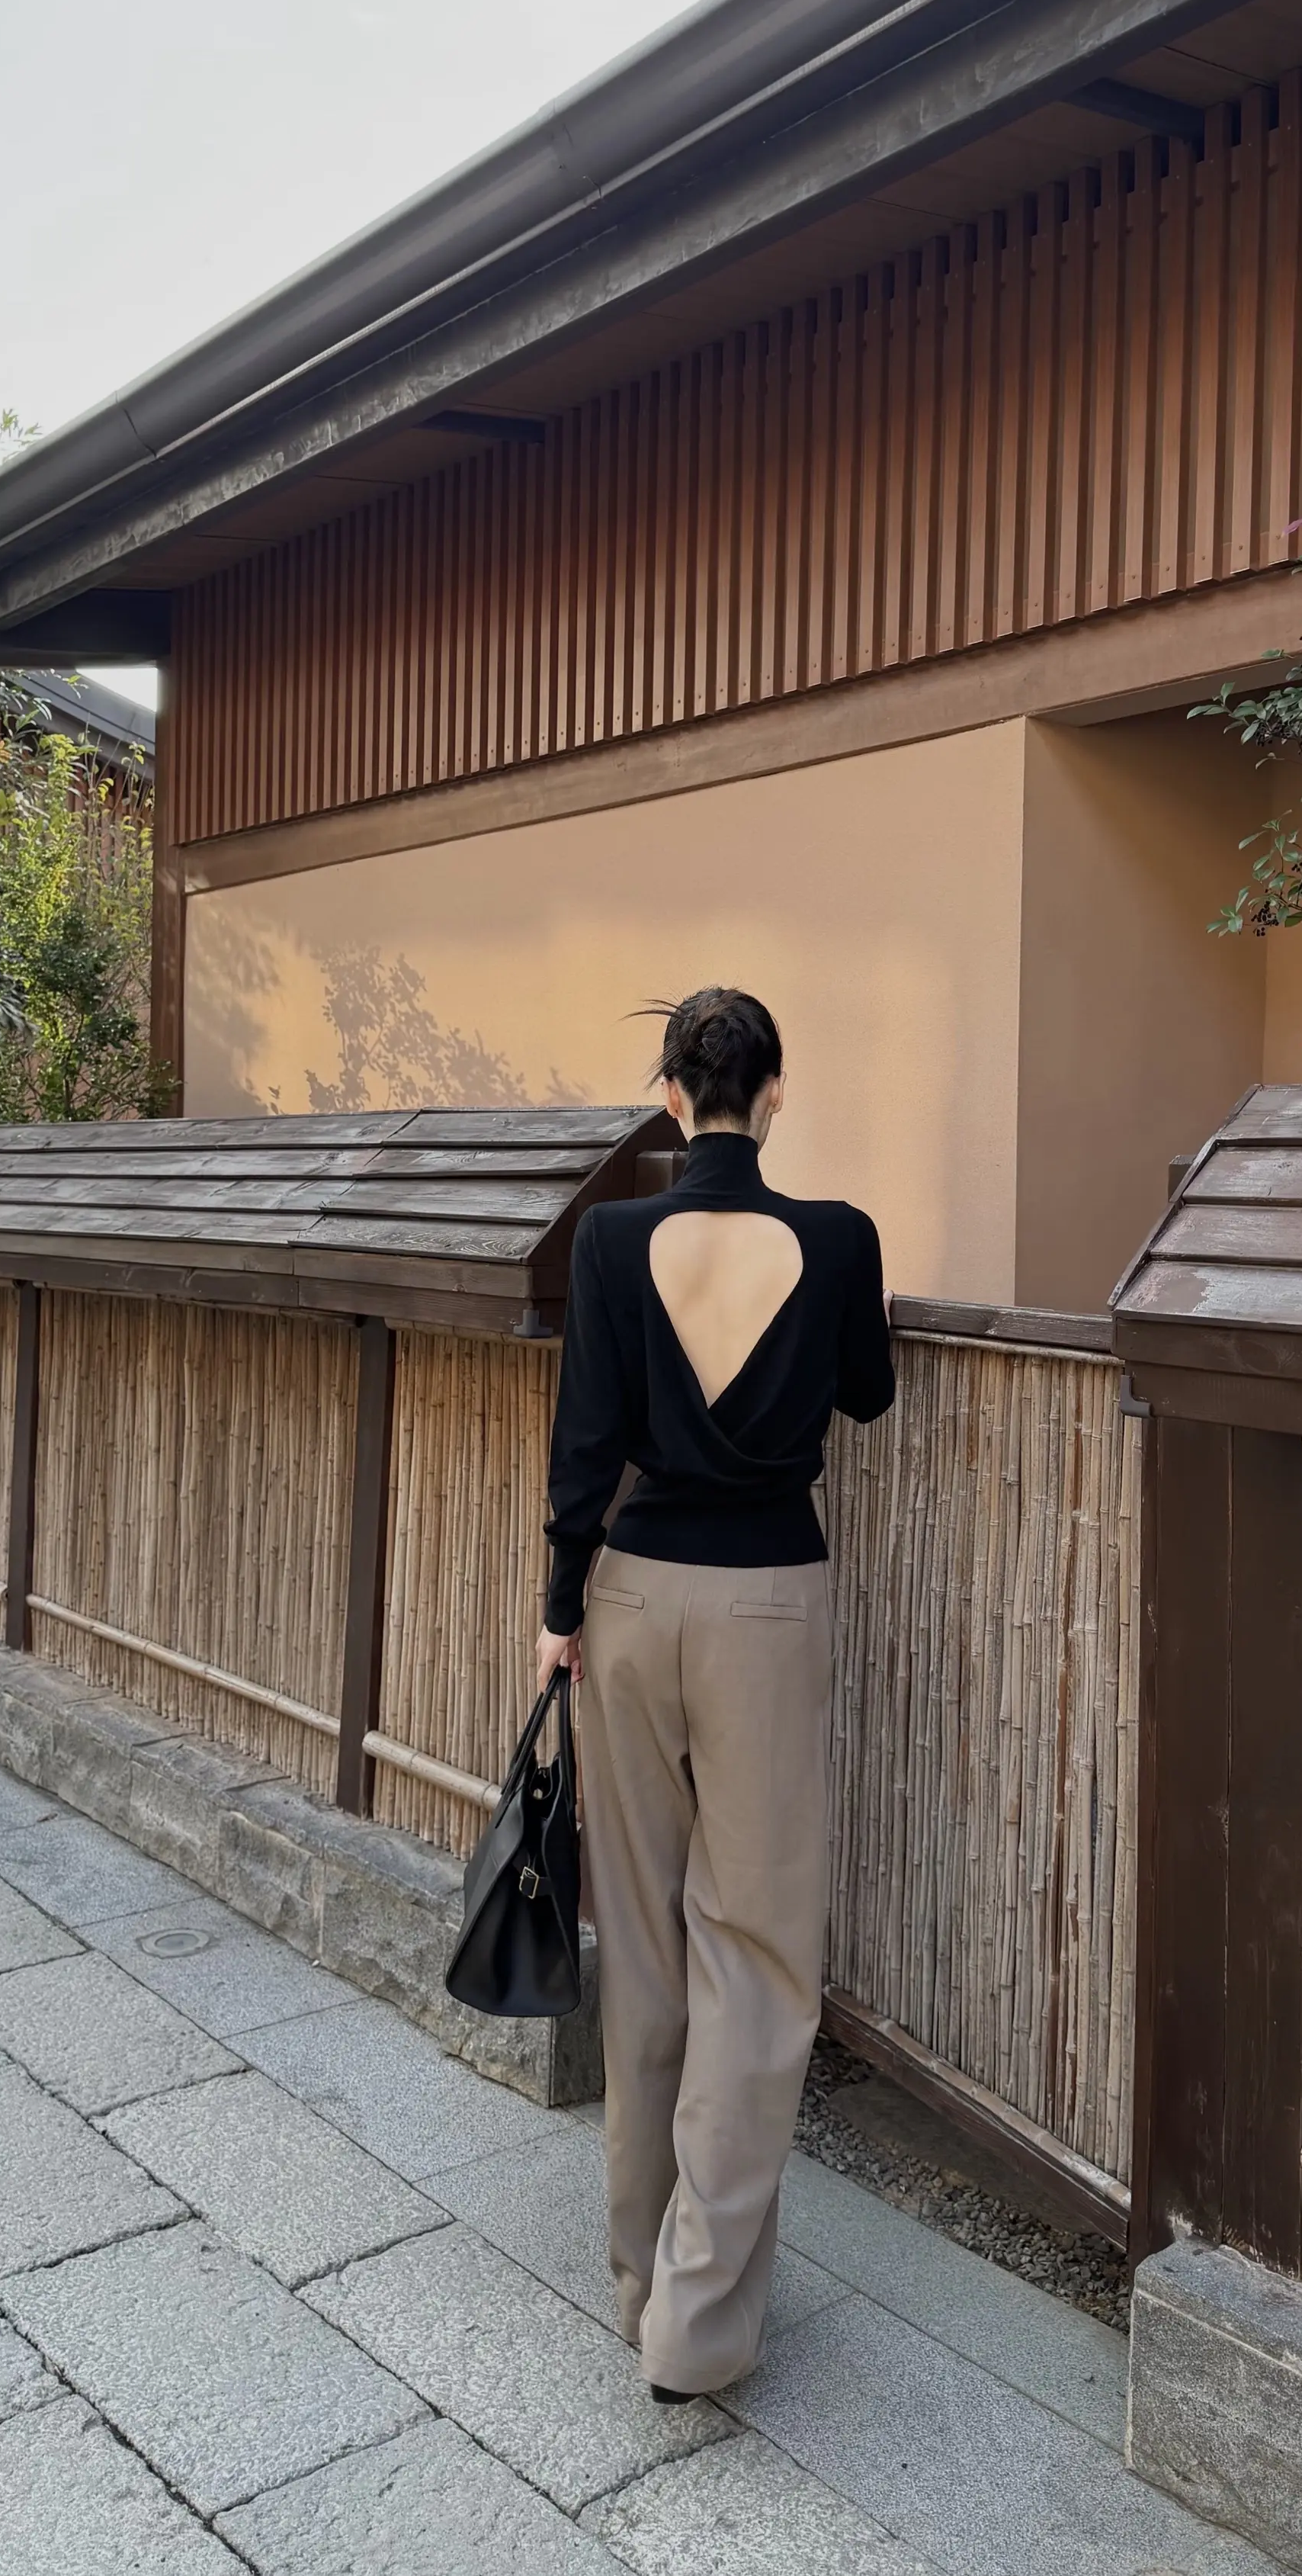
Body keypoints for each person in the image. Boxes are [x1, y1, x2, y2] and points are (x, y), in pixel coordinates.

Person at [534, 986, 895, 2401]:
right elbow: (866, 1391)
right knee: (759, 1953)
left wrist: (559, 1611)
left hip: (628, 1598)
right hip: (767, 1605)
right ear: (776, 1091)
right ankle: (694, 2319)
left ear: (673, 1097)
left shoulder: (611, 1240)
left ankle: (644, 2274)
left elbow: (585, 1439)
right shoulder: (840, 1237)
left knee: (642, 1941)